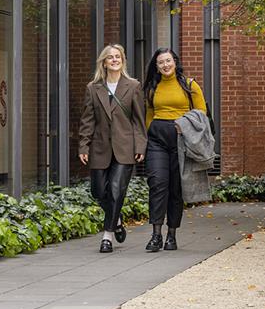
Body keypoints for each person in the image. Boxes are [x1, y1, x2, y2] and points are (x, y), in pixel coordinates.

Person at [79, 44, 146, 253]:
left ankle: (107, 236)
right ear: (104, 62)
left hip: (125, 147)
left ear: (122, 61)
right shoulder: (93, 87)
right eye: (110, 57)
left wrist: (140, 145)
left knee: (116, 191)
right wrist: (84, 145)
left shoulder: (133, 86)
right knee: (98, 191)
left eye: (118, 57)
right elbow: (87, 120)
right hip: (99, 146)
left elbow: (138, 120)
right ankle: (116, 221)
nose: (114, 60)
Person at [143, 47, 208, 252]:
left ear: (175, 62)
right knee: (157, 184)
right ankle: (156, 235)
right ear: (157, 66)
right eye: (161, 62)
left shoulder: (190, 85)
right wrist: (149, 132)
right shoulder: (152, 87)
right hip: (157, 141)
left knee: (176, 189)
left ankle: (172, 235)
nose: (165, 65)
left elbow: (201, 114)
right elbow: (149, 114)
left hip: (181, 140)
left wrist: (184, 124)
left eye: (168, 61)